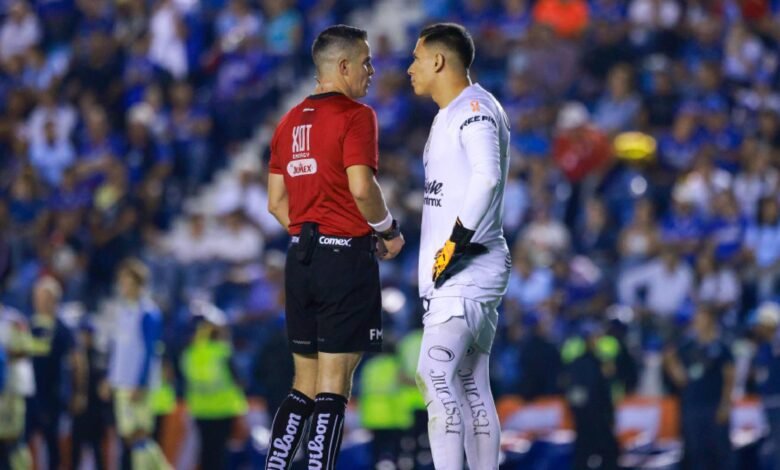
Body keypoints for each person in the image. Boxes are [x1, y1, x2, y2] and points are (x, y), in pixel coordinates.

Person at [264, 24, 404, 470]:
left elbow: (275, 202)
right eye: (365, 61)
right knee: (334, 384)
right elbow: (363, 188)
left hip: (299, 259)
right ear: (342, 67)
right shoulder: (356, 116)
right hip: (344, 257)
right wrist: (387, 230)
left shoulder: (287, 123)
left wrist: (311, 234)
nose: (371, 69)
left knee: (302, 384)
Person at [407, 22, 511, 469]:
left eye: (415, 58)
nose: (410, 67)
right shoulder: (448, 113)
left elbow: (487, 176)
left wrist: (453, 245)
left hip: (466, 268)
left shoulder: (474, 108)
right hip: (461, 272)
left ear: (438, 60)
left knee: (433, 374)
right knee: (470, 385)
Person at [107, 258, 171, 470]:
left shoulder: (148, 313)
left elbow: (150, 351)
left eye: (127, 282)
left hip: (137, 384)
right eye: (121, 282)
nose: (123, 286)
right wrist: (110, 378)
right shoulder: (123, 311)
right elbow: (119, 350)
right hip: (121, 382)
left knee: (139, 436)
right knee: (129, 437)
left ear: (139, 284)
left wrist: (141, 382)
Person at [663, 304, 735, 470]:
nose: (697, 321)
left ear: (710, 320)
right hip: (692, 407)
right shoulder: (686, 347)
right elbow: (681, 379)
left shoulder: (722, 347)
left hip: (714, 406)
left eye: (701, 317)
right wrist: (670, 361)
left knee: (720, 452)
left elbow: (729, 378)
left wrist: (725, 404)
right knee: (696, 452)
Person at [180, 303, 247, 470]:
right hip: (224, 410)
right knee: (221, 454)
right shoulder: (222, 351)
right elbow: (239, 380)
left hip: (200, 410)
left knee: (206, 453)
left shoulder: (189, 354)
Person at [27, 275, 73, 470]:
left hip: (52, 395)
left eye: (45, 298)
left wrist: (76, 393)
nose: (40, 302)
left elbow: (76, 361)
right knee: (21, 442)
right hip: (29, 394)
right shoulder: (27, 325)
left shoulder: (62, 330)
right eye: (38, 297)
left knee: (52, 443)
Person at [749, 302, 780, 470]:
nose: (757, 328)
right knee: (771, 448)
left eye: (761, 324)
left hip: (778, 402)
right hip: (767, 402)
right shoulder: (762, 346)